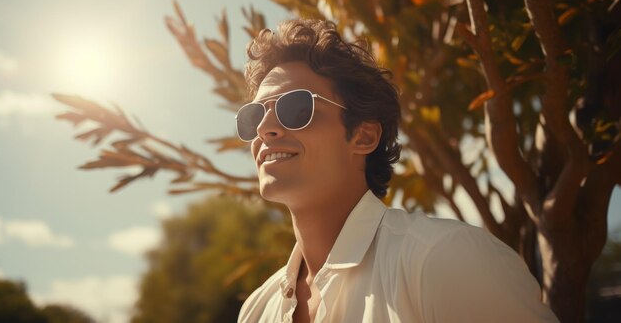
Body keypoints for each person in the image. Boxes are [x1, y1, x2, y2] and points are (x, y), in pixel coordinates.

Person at [235, 19, 558, 323]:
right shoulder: (257, 309)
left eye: (295, 107)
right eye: (254, 116)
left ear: (363, 136)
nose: (265, 128)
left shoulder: (445, 259)